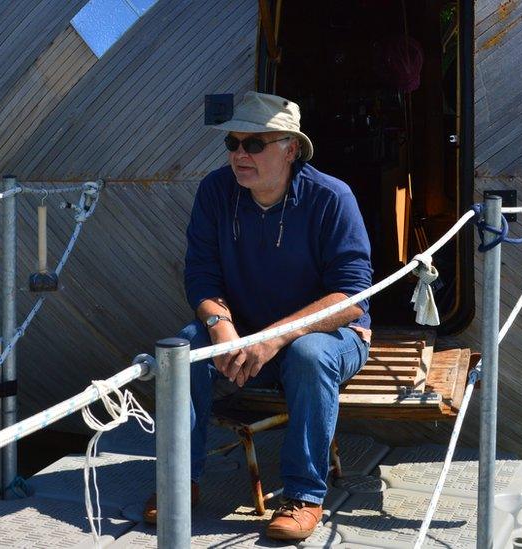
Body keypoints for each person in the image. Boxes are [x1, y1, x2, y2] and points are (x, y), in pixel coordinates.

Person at [143, 92, 373, 541]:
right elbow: (201, 274)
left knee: (308, 354)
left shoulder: (332, 198)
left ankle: (304, 495)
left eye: (254, 144)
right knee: (184, 349)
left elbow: (353, 297)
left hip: (331, 337)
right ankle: (177, 481)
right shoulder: (215, 191)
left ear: (290, 149)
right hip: (243, 331)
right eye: (232, 142)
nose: (238, 155)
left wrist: (273, 337)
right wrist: (221, 328)